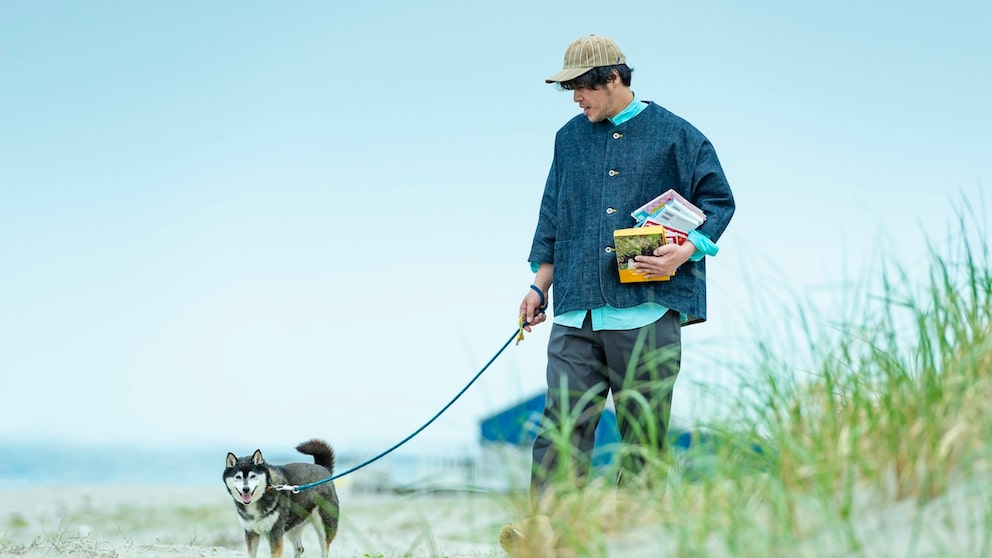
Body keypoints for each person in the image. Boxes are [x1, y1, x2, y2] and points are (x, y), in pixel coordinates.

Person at [517, 33, 736, 514]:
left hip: (647, 311)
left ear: (612, 78)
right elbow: (553, 215)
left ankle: (634, 534)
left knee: (643, 432)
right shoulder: (568, 139)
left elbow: (719, 202)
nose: (575, 99)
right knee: (560, 427)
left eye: (582, 88)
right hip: (575, 310)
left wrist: (685, 252)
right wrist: (539, 285)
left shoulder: (679, 135)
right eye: (569, 89)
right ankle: (550, 532)